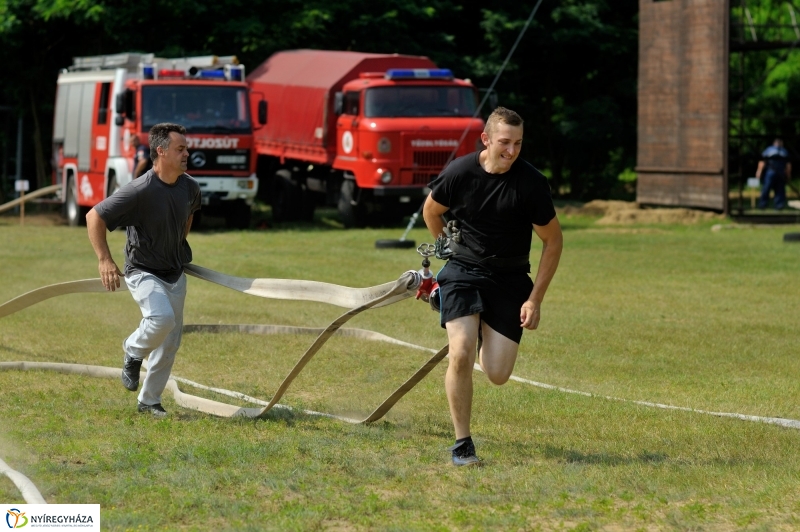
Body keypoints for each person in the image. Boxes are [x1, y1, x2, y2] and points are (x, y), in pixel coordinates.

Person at [422, 107, 563, 466]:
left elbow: (553, 242)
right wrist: (446, 248)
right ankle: (462, 444)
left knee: (498, 374)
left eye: (518, 143)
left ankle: (480, 323)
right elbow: (431, 211)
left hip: (511, 278)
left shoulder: (531, 183)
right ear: (486, 139)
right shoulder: (460, 172)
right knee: (461, 352)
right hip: (463, 272)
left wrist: (535, 299)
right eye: (504, 142)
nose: (512, 151)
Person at [87, 123, 201, 417]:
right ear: (161, 151)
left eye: (186, 148)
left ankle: (149, 401)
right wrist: (104, 260)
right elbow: (94, 216)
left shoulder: (190, 186)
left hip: (175, 272)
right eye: (180, 148)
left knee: (170, 342)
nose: (187, 153)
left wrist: (175, 244)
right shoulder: (140, 189)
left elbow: (188, 216)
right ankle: (132, 349)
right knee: (161, 319)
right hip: (143, 270)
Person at [756, 138, 791, 210]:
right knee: (775, 189)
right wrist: (788, 174)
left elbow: (762, 162)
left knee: (770, 189)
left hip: (773, 172)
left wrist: (759, 171)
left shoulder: (769, 149)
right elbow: (788, 165)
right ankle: (777, 205)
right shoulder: (783, 151)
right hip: (775, 172)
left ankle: (764, 205)